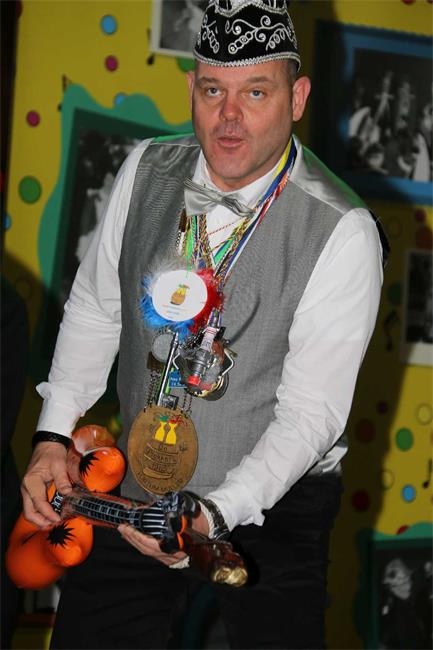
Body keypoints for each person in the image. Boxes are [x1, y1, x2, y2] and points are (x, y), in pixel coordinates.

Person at [19, 1, 389, 648]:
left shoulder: (343, 231)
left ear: (297, 98)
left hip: (275, 510)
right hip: (139, 482)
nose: (229, 117)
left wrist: (212, 512)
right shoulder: (144, 168)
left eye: (256, 92)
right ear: (191, 87)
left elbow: (311, 416)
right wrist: (51, 436)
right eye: (214, 90)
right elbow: (96, 308)